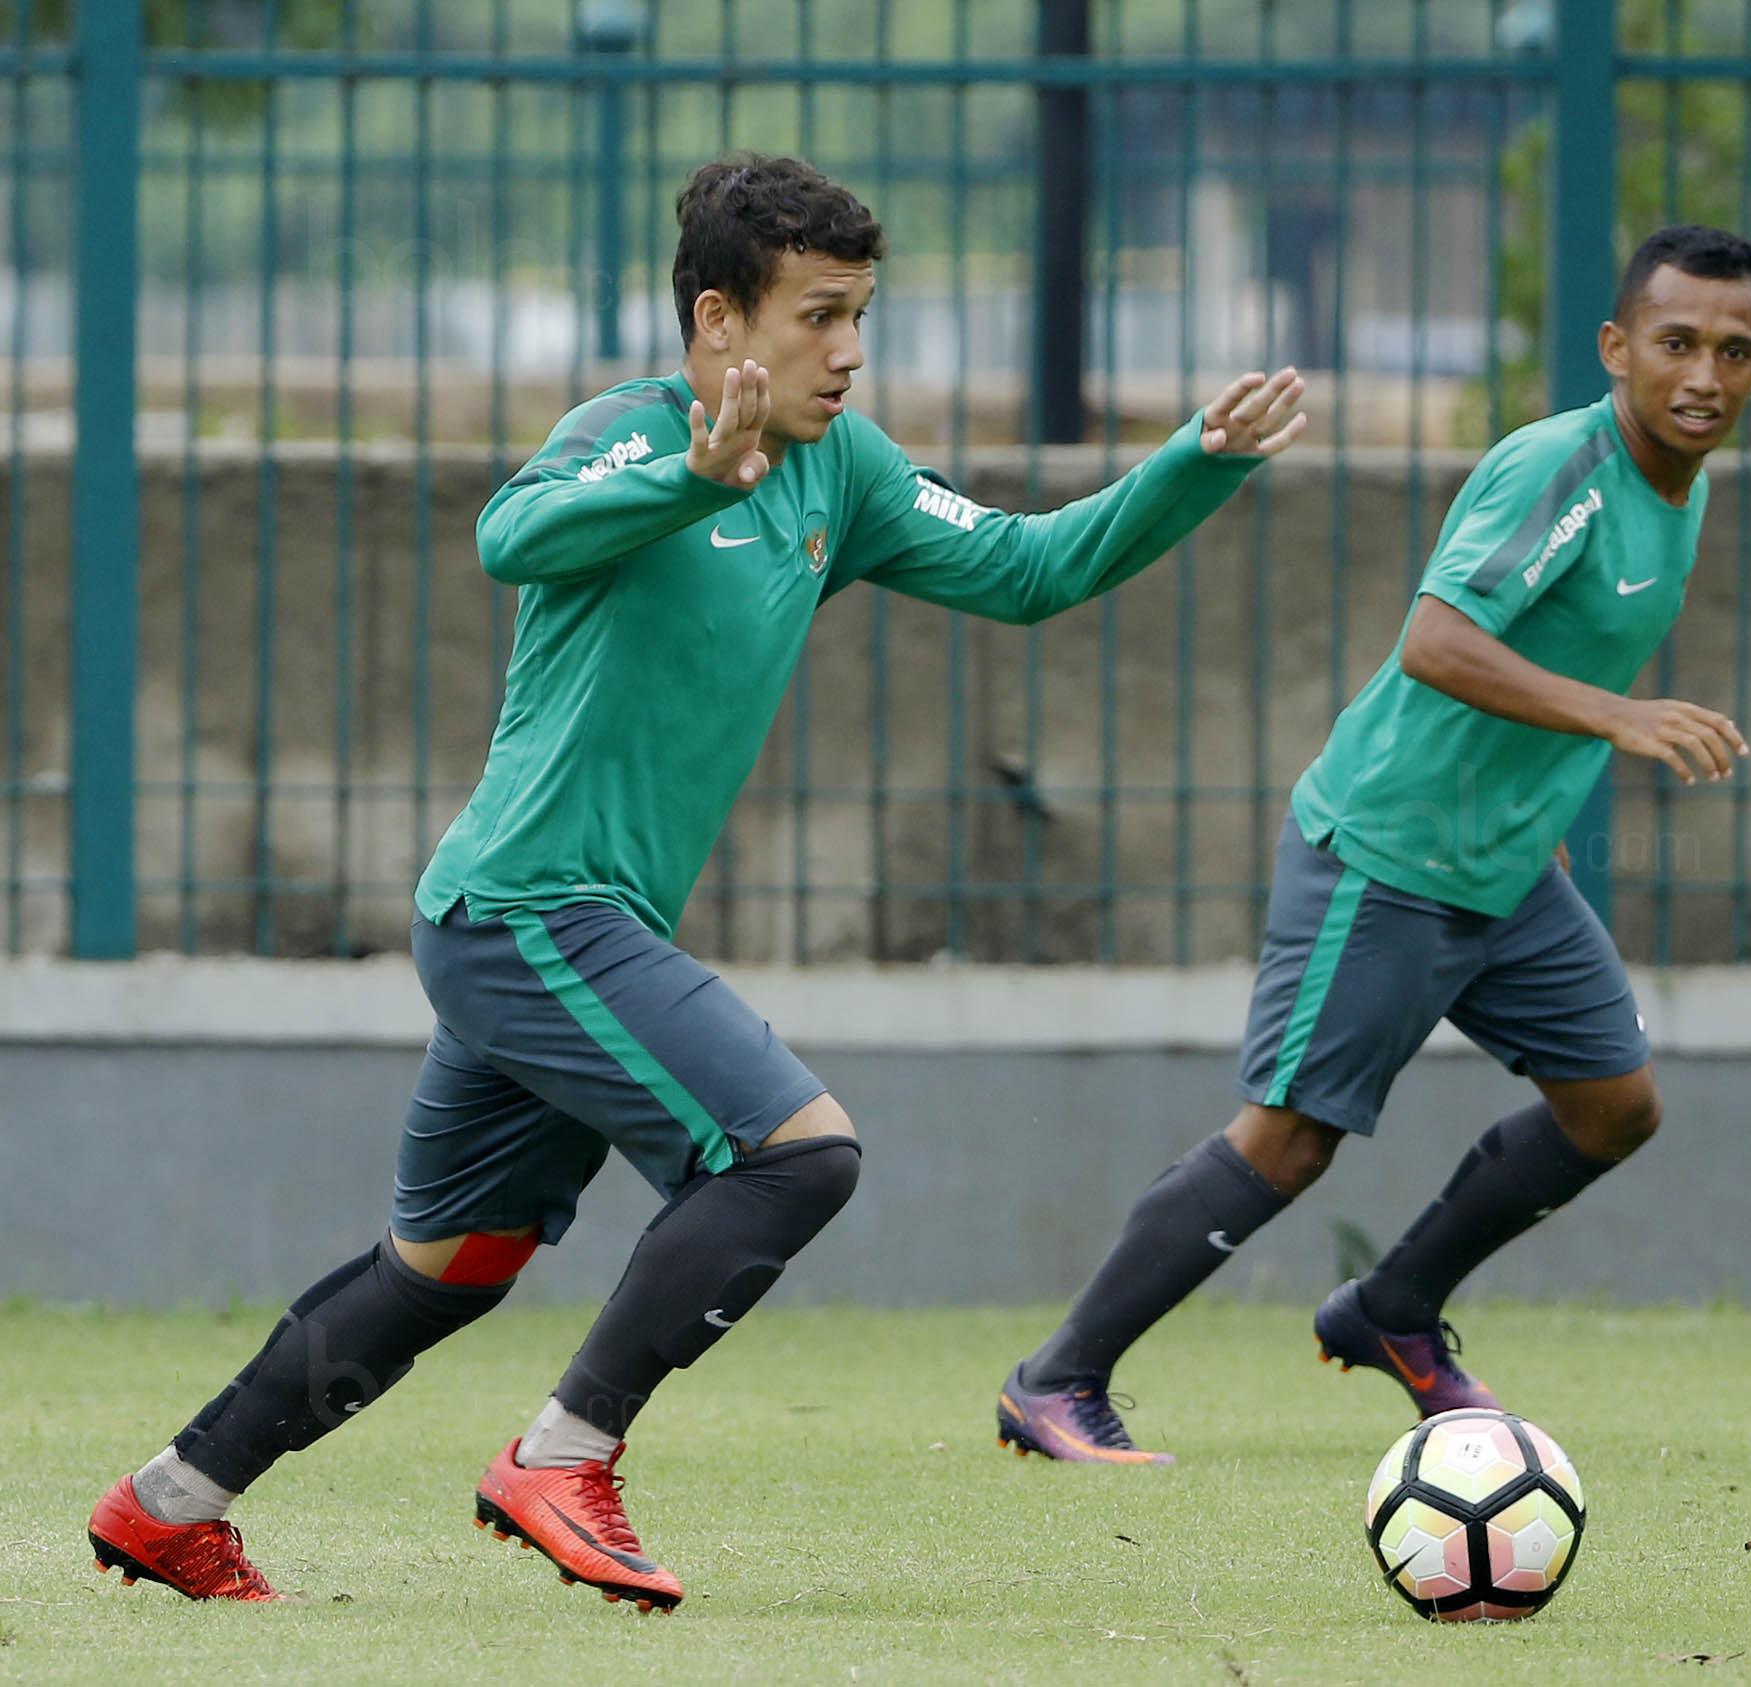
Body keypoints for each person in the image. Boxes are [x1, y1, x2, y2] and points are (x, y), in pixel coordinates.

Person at [84, 153, 1305, 1610]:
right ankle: (563, 1452)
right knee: (795, 1151)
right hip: (530, 908)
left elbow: (1031, 568)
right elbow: (509, 536)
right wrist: (686, 477)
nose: (850, 351)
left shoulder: (843, 467)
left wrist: (1198, 461)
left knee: (449, 1262)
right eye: (820, 316)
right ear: (722, 321)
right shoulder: (630, 430)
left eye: (862, 316)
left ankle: (172, 1501)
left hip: (554, 928)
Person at [992, 225, 1751, 1465]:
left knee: (1614, 1108)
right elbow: (1440, 641)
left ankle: (1392, 1308)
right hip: (1389, 853)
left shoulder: (1687, 487)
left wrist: (1546, 813)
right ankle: (1057, 1379)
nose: (1705, 377)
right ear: (1619, 347)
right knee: (1290, 1137)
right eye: (1677, 343)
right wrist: (1621, 720)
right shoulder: (1558, 469)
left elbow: (1553, 656)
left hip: (1510, 869)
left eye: (1735, 351)